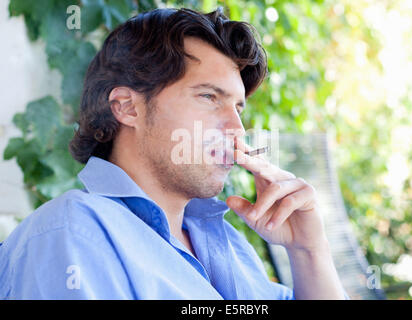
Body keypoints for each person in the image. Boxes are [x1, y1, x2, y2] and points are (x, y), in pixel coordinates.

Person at [0, 8, 348, 299]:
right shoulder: (71, 234)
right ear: (126, 107)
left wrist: (308, 251)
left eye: (238, 107)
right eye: (209, 97)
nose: (237, 130)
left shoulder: (226, 241)